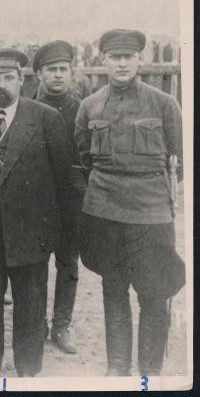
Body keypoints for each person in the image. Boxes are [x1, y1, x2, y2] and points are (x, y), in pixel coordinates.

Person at [76, 29, 184, 377]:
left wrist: (151, 191)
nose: (121, 63)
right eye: (114, 57)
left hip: (151, 214)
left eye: (128, 56)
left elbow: (179, 158)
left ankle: (149, 371)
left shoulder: (163, 104)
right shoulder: (90, 105)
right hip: (105, 211)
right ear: (103, 60)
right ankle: (117, 368)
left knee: (153, 292)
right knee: (113, 288)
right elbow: (84, 156)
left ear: (140, 59)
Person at [0, 48, 71, 377]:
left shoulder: (45, 118)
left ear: (21, 80)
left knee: (31, 302)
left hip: (30, 233)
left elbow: (63, 179)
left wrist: (57, 231)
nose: (2, 85)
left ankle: (28, 368)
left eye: (8, 77)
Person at [32, 41, 87, 354]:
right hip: (37, 202)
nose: (57, 75)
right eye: (51, 69)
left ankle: (62, 324)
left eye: (63, 69)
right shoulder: (25, 106)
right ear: (40, 73)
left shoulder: (83, 108)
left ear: (71, 73)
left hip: (70, 201)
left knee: (68, 264)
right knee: (35, 264)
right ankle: (37, 322)